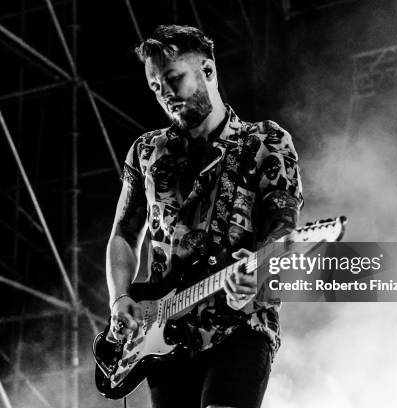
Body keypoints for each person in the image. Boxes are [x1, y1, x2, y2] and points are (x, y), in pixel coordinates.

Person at [105, 24, 303, 408]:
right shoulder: (147, 151)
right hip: (161, 333)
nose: (164, 94)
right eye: (155, 87)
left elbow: (285, 233)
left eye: (172, 79)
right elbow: (124, 235)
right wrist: (119, 299)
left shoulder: (265, 141)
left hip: (242, 324)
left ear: (208, 71)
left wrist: (262, 272)